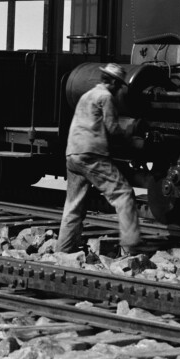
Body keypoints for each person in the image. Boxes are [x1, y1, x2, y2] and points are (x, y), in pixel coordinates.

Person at [57, 62, 144, 256]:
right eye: (119, 85)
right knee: (123, 194)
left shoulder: (87, 95)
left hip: (73, 154)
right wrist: (133, 132)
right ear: (112, 82)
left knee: (73, 205)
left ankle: (63, 249)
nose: (120, 89)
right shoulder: (105, 97)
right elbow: (113, 129)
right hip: (91, 155)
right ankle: (132, 247)